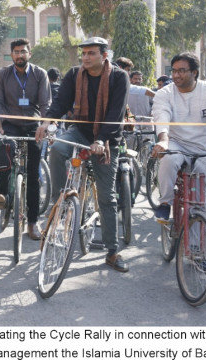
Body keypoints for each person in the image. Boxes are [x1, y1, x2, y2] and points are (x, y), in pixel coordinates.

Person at [35, 37, 130, 272]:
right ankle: (61, 198)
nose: (86, 57)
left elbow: (116, 116)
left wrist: (100, 140)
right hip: (79, 131)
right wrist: (46, 122)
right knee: (57, 148)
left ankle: (111, 251)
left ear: (104, 55)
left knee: (107, 197)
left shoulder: (119, 77)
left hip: (107, 139)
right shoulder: (75, 74)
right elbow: (60, 103)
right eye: (84, 53)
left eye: (91, 53)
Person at [0, 38, 52, 240]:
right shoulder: (2, 74)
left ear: (29, 54)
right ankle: (2, 194)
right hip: (9, 124)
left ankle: (33, 222)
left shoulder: (39, 74)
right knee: (4, 151)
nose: (19, 55)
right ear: (11, 55)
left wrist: (45, 125)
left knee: (33, 176)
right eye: (16, 52)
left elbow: (45, 103)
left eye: (23, 51)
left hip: (33, 125)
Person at [151, 52, 206, 221]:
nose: (176, 75)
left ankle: (194, 246)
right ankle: (165, 203)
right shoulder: (164, 93)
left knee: (198, 204)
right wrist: (163, 140)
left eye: (182, 70)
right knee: (169, 159)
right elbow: (162, 117)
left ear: (194, 72)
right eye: (174, 71)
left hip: (202, 147)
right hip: (175, 143)